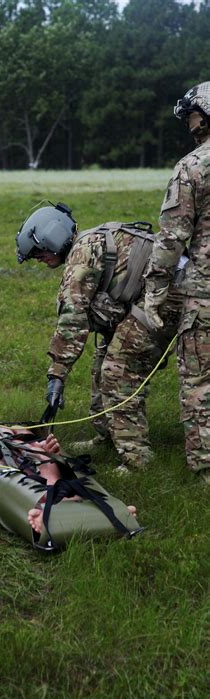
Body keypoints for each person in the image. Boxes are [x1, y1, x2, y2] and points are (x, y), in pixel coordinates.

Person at [16, 203, 184, 473]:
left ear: (53, 238)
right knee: (101, 364)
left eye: (40, 252)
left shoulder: (81, 256)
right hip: (149, 296)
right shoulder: (86, 244)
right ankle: (106, 436)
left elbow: (73, 317)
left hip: (165, 300)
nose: (40, 259)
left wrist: (57, 375)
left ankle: (137, 459)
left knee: (118, 371)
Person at [144, 82, 210, 483]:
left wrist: (155, 290)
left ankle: (205, 470)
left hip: (204, 295)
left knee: (200, 381)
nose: (188, 123)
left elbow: (171, 239)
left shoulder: (191, 168)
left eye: (191, 115)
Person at [0, 416, 137, 535]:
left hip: (16, 446)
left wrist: (37, 447)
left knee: (33, 450)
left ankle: (55, 495)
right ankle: (57, 497)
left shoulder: (2, 427)